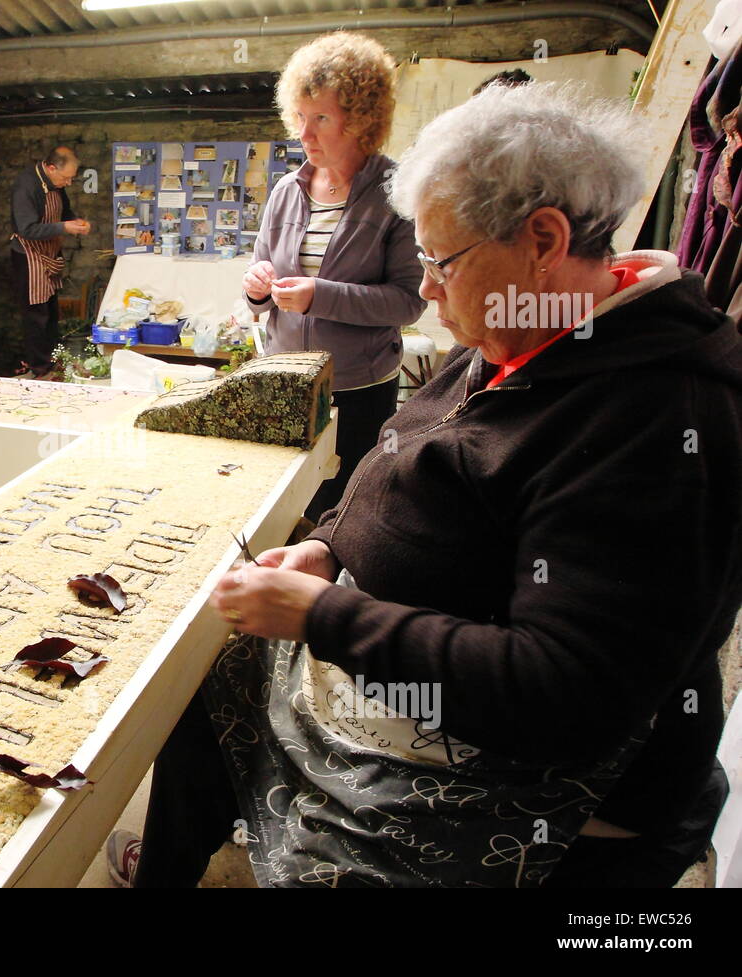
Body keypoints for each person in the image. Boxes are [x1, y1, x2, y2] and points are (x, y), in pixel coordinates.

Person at [110, 82, 742, 888]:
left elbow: (561, 695)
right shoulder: (523, 326)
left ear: (543, 240)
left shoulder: (660, 417)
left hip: (527, 774)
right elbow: (397, 458)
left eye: (440, 260)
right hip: (400, 673)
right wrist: (327, 547)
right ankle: (167, 869)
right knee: (205, 679)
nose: (427, 289)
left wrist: (325, 615)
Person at [242, 33, 424, 522]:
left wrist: (319, 296)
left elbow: (408, 301)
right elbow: (260, 278)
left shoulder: (396, 194)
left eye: (321, 118)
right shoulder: (286, 189)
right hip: (285, 379)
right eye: (300, 117)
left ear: (362, 118)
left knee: (343, 509)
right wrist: (256, 288)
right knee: (284, 506)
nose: (305, 133)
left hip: (357, 387)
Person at [9, 146, 90, 379]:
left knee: (51, 312)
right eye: (66, 178)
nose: (69, 183)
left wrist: (75, 221)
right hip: (29, 257)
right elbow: (26, 228)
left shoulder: (56, 184)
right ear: (51, 168)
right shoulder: (26, 186)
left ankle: (54, 361)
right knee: (36, 315)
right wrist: (64, 227)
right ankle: (40, 368)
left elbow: (64, 211)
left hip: (49, 254)